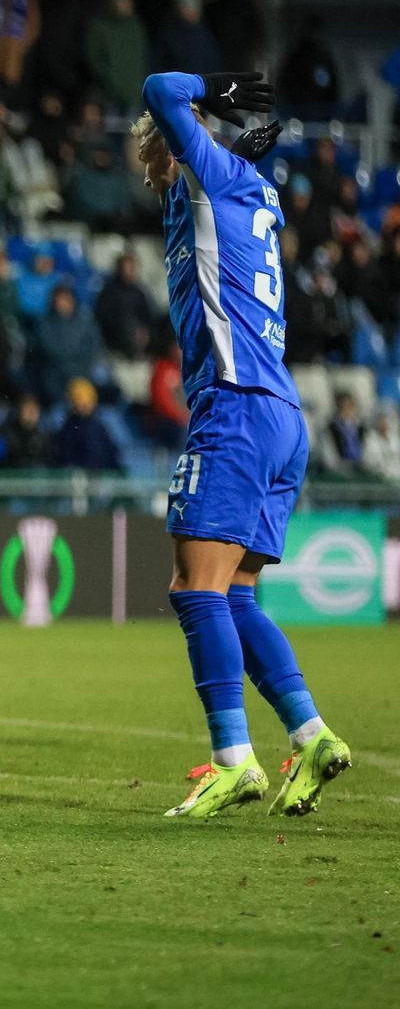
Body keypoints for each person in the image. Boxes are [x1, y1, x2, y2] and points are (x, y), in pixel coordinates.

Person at [135, 70, 349, 818]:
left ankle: (233, 761)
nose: (155, 173)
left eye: (155, 157)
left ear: (174, 146)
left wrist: (210, 91)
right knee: (236, 593)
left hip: (234, 405)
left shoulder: (208, 171)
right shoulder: (248, 190)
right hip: (279, 411)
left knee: (194, 591)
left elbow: (161, 85)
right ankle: (313, 736)